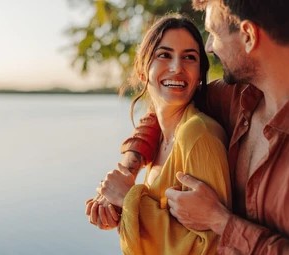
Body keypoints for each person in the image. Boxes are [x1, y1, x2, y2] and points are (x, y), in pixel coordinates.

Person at [89, 0, 289, 254]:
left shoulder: (203, 129)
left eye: (214, 34)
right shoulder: (234, 98)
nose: (209, 47)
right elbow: (166, 106)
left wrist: (220, 221)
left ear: (248, 35)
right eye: (164, 54)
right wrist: (129, 168)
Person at [87, 13, 232, 255]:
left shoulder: (197, 135)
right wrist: (122, 214)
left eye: (189, 57)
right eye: (164, 55)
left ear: (199, 76)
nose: (177, 68)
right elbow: (167, 229)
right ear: (143, 71)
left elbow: (214, 246)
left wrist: (128, 199)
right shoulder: (161, 139)